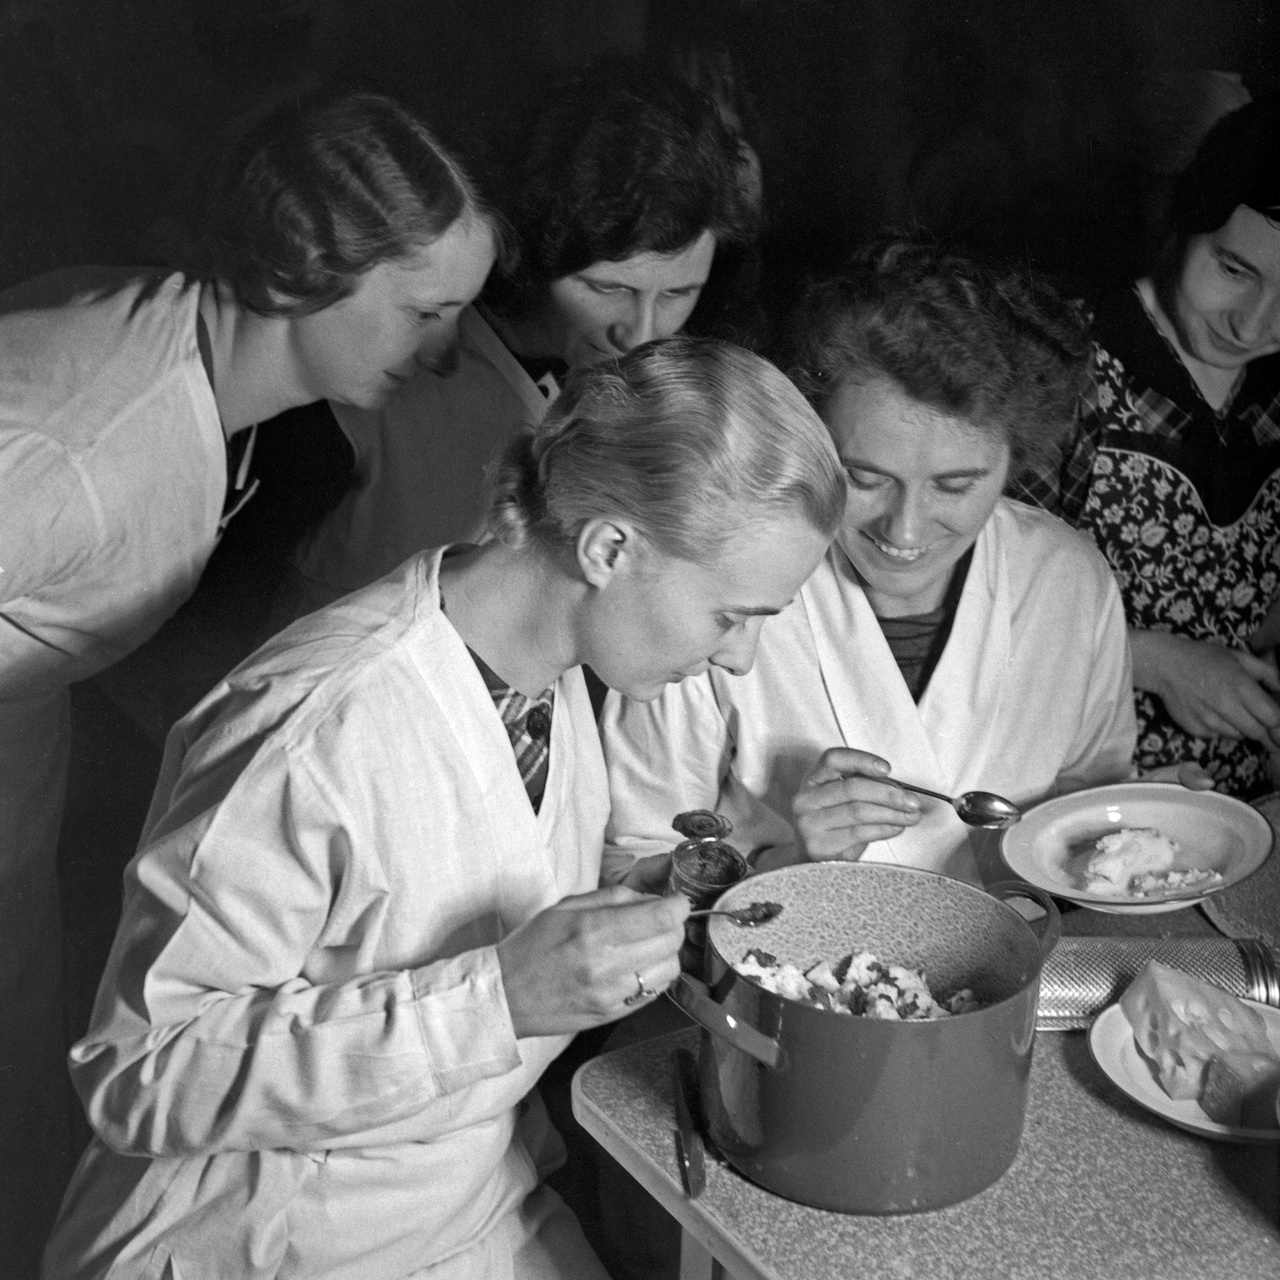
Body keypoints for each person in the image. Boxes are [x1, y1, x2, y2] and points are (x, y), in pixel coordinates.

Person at [41, 336, 846, 1280]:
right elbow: (142, 1074)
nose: (741, 661)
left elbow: (462, 863)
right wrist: (496, 998)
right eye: (731, 615)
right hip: (276, 1237)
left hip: (470, 1200)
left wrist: (642, 900)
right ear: (610, 547)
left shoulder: (550, 679)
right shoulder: (321, 724)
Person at [0, 88, 498, 1275]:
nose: (437, 354)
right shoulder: (77, 445)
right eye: (425, 311)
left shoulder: (203, 371)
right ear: (310, 266)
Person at [602, 241, 1138, 889]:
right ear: (812, 432)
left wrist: (1128, 835)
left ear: (1014, 461)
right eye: (864, 477)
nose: (905, 529)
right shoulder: (723, 585)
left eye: (955, 485)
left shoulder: (1068, 583)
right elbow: (630, 863)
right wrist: (791, 864)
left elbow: (1092, 805)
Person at [270, 60, 760, 626]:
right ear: (533, 256)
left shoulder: (675, 409)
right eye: (607, 288)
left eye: (678, 293)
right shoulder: (368, 386)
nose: (641, 333)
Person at [1008, 93, 1280, 798]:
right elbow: (966, 611)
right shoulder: (1059, 364)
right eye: (1234, 270)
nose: (1253, 325)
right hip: (1072, 792)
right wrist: (1153, 661)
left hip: (1245, 809)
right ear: (1183, 221)